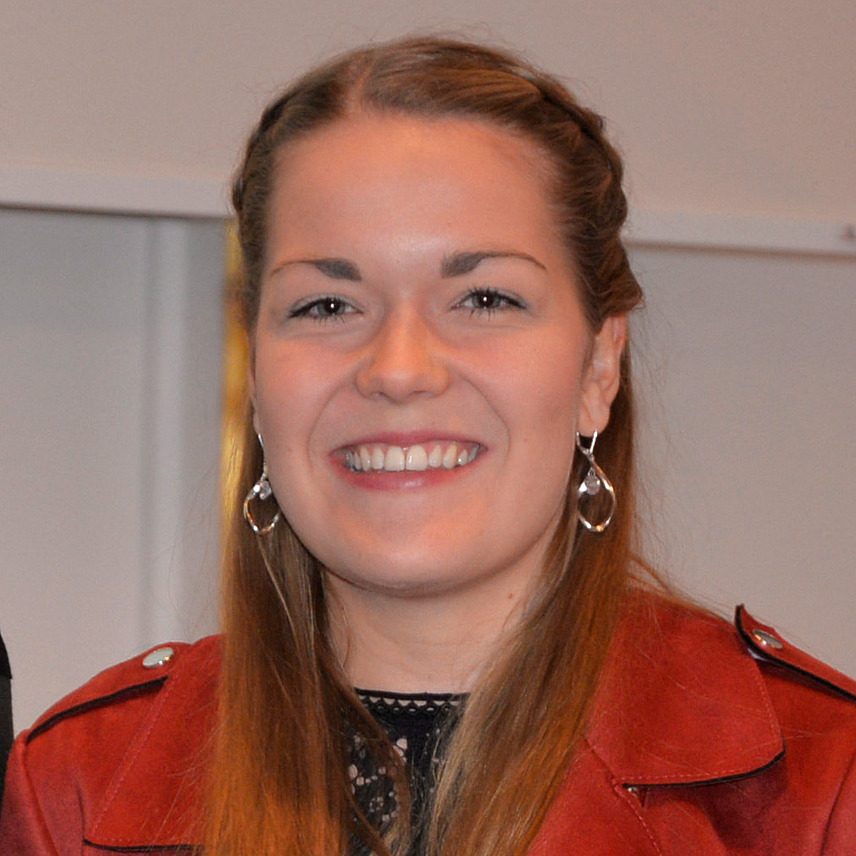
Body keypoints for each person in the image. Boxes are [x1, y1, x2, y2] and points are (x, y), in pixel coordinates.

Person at [1, 36, 855, 856]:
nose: (399, 370)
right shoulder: (75, 787)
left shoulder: (825, 784)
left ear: (598, 367)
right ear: (256, 374)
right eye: (326, 307)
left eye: (484, 300)